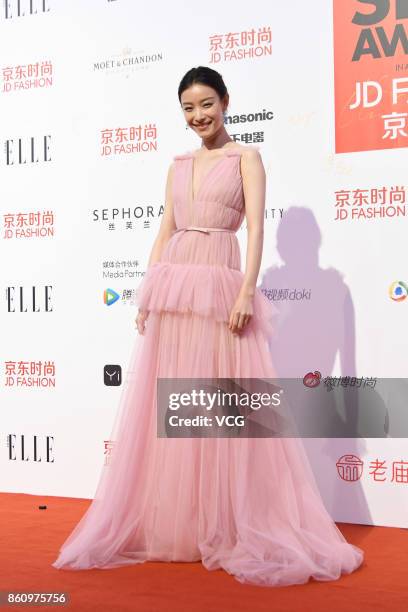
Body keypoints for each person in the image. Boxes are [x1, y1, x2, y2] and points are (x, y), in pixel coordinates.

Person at [52, 66, 364, 587]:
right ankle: (180, 524)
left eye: (206, 104)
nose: (199, 116)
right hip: (175, 289)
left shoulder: (246, 158)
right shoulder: (176, 164)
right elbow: (164, 229)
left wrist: (246, 290)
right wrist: (149, 291)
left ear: (225, 101)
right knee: (175, 403)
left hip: (220, 287)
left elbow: (258, 226)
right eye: (188, 108)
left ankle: (229, 521)